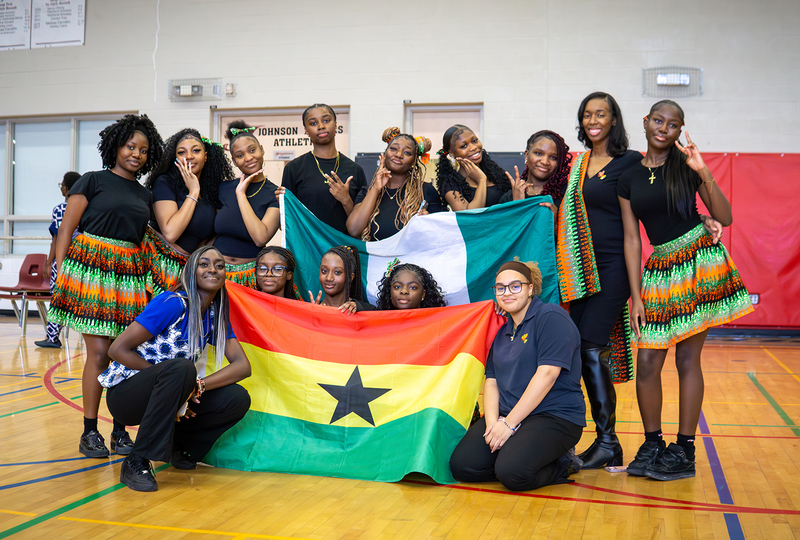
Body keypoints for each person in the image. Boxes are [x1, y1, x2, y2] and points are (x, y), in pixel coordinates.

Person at [618, 100, 753, 481]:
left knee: (687, 360)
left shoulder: (685, 166)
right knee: (647, 362)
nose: (664, 128)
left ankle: (686, 449)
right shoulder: (628, 176)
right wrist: (636, 296)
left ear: (680, 130)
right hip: (659, 269)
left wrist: (703, 170)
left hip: (697, 261)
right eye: (658, 120)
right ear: (646, 122)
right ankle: (652, 443)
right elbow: (632, 239)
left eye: (673, 124)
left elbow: (724, 217)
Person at [48, 114, 164, 458]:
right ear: (115, 147)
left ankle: (119, 431)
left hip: (127, 277)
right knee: (100, 353)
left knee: (125, 355)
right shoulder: (92, 180)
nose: (136, 154)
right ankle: (89, 431)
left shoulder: (146, 193)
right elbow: (67, 228)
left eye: (143, 150)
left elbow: (149, 240)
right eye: (130, 146)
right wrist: (64, 272)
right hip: (89, 273)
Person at [102, 246, 251, 491]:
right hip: (126, 396)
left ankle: (179, 446)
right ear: (191, 272)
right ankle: (136, 460)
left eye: (219, 265)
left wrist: (196, 387)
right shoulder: (171, 303)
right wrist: (168, 378)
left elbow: (243, 366)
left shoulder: (215, 313)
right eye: (204, 264)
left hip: (173, 388)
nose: (213, 269)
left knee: (236, 398)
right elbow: (117, 349)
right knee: (181, 369)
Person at [554, 92, 643, 469]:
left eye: (601, 114)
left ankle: (608, 441)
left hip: (614, 269)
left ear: (613, 120)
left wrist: (636, 294)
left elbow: (635, 227)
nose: (593, 120)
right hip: (579, 272)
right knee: (580, 347)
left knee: (591, 345)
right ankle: (601, 440)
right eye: (587, 114)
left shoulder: (630, 161)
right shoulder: (579, 164)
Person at [449, 261, 585, 491]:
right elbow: (491, 380)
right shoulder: (502, 330)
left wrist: (510, 425)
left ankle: (563, 462)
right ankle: (518, 455)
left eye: (515, 286)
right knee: (463, 467)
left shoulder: (550, 316)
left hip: (553, 415)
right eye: (500, 288)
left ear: (531, 288)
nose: (507, 292)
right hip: (507, 414)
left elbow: (548, 374)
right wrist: (493, 425)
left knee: (513, 473)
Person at [144, 128, 233, 296]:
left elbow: (212, 235)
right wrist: (193, 192)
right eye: (182, 152)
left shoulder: (213, 189)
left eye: (196, 150)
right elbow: (171, 233)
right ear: (175, 158)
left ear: (205, 156)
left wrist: (194, 266)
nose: (189, 156)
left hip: (188, 268)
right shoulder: (165, 182)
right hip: (158, 265)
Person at [281, 104, 367, 234]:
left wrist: (346, 200)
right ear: (306, 130)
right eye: (313, 123)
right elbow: (285, 224)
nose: (321, 126)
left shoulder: (355, 170)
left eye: (326, 120)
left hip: (344, 249)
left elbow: (363, 225)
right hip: (308, 248)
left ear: (336, 124)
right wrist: (281, 204)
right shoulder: (293, 169)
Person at [347, 127, 445, 241]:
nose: (398, 155)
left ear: (414, 161)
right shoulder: (367, 192)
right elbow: (354, 230)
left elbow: (441, 235)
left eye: (407, 152)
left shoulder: (426, 191)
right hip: (375, 258)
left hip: (411, 258)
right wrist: (375, 189)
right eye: (393, 149)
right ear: (385, 153)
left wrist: (428, 223)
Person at [216, 121, 281, 287]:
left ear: (262, 149)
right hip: (216, 273)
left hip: (249, 277)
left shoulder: (275, 194)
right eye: (240, 155)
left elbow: (260, 238)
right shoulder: (223, 188)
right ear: (234, 161)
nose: (248, 157)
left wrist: (241, 195)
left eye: (252, 150)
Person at [35, 171, 81, 349]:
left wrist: (48, 263)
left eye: (62, 184)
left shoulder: (61, 209)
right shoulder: (88, 206)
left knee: (58, 299)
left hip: (63, 260)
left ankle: (52, 337)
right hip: (82, 260)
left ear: (67, 188)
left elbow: (57, 239)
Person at [436, 124, 510, 210]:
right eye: (464, 146)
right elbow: (470, 217)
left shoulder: (496, 173)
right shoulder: (451, 185)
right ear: (452, 153)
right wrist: (481, 180)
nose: (473, 147)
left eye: (474, 141)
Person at [499, 130, 572, 216]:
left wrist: (555, 224)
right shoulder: (509, 198)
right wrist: (517, 206)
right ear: (527, 155)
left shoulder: (567, 195)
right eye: (539, 153)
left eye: (553, 157)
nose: (545, 162)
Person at [309, 245, 374, 313]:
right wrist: (313, 318)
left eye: (337, 272)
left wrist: (360, 309)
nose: (329, 278)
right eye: (324, 271)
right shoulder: (311, 311)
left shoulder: (368, 311)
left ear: (350, 277)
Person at [375, 261, 447, 310]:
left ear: (423, 294)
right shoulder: (376, 324)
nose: (404, 291)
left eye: (412, 287)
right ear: (390, 291)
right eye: (397, 287)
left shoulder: (438, 324)